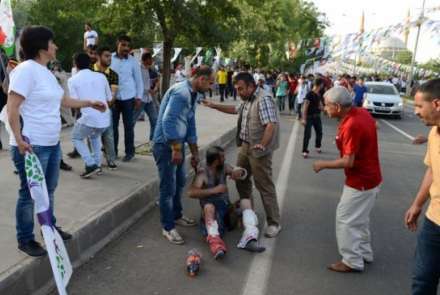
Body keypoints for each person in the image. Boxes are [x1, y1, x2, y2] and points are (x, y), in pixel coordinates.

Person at [7, 26, 106, 257]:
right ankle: (25, 239)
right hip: (32, 145)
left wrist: (90, 103)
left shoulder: (46, 72)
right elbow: (12, 107)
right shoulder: (25, 71)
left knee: (48, 189)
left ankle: (49, 227)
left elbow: (65, 101)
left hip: (52, 144)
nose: (56, 46)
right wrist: (19, 140)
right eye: (52, 42)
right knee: (29, 194)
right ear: (42, 46)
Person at [202, 72, 282, 238]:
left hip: (259, 150)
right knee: (240, 178)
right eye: (237, 89)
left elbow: (270, 125)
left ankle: (274, 222)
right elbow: (234, 109)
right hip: (246, 147)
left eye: (241, 89)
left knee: (264, 185)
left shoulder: (263, 99)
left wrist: (263, 144)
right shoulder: (247, 100)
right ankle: (248, 213)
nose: (238, 92)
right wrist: (214, 105)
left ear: (251, 86)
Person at [312, 86, 382, 273]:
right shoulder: (361, 113)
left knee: (346, 219)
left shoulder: (352, 124)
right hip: (370, 177)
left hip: (361, 180)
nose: (324, 108)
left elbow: (348, 161)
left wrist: (322, 164)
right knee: (360, 219)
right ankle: (364, 253)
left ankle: (352, 260)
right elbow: (375, 126)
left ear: (336, 106)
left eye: (326, 106)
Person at [153, 65, 214, 244]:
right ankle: (168, 227)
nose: (211, 87)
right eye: (210, 83)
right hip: (166, 146)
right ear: (201, 79)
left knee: (179, 182)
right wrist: (176, 149)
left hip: (176, 145)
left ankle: (177, 215)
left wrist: (195, 153)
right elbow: (168, 121)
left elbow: (190, 123)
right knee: (168, 188)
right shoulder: (181, 93)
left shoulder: (194, 94)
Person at [404, 79, 440, 294]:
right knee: (422, 280)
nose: (415, 111)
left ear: (436, 104)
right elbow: (432, 170)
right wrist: (417, 205)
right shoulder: (433, 133)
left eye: (419, 106)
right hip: (434, 221)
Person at [188, 146, 242, 259]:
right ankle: (216, 244)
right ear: (216, 160)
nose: (225, 158)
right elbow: (191, 193)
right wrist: (214, 190)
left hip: (225, 206)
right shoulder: (202, 173)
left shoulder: (223, 167)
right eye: (222, 157)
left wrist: (239, 171)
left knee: (245, 202)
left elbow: (236, 170)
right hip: (211, 207)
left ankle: (250, 234)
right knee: (209, 207)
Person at [69, 53, 112, 178]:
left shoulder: (73, 80)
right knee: (95, 137)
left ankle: (90, 164)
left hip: (89, 118)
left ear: (75, 65)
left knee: (76, 137)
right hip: (104, 117)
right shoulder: (101, 77)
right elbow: (109, 98)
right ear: (90, 64)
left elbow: (75, 102)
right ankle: (97, 165)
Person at [111, 35, 143, 162]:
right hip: (113, 98)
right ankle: (113, 151)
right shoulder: (110, 58)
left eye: (128, 46)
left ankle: (130, 152)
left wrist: (138, 97)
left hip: (128, 98)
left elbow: (138, 80)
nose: (126, 48)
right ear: (117, 44)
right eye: (123, 45)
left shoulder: (133, 61)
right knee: (112, 127)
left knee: (128, 126)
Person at [93, 46, 119, 170]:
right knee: (93, 136)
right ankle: (94, 162)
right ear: (98, 56)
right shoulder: (89, 71)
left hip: (107, 109)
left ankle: (111, 159)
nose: (109, 59)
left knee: (109, 135)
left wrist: (105, 105)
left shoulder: (113, 74)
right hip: (90, 109)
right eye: (106, 56)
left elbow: (113, 95)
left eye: (110, 56)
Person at [133, 52, 158, 148]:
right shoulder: (138, 69)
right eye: (150, 59)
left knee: (154, 119)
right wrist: (147, 90)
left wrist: (154, 88)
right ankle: (130, 142)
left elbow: (155, 80)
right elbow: (136, 84)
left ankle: (153, 141)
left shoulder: (151, 69)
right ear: (146, 59)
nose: (152, 60)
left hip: (149, 99)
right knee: (132, 121)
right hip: (140, 98)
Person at [301, 78, 324, 158]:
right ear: (320, 84)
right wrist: (304, 118)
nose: (322, 86)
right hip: (309, 117)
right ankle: (305, 151)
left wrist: (325, 109)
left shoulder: (318, 94)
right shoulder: (309, 94)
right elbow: (305, 107)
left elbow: (320, 105)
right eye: (322, 84)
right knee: (307, 134)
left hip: (317, 116)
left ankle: (318, 146)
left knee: (319, 132)